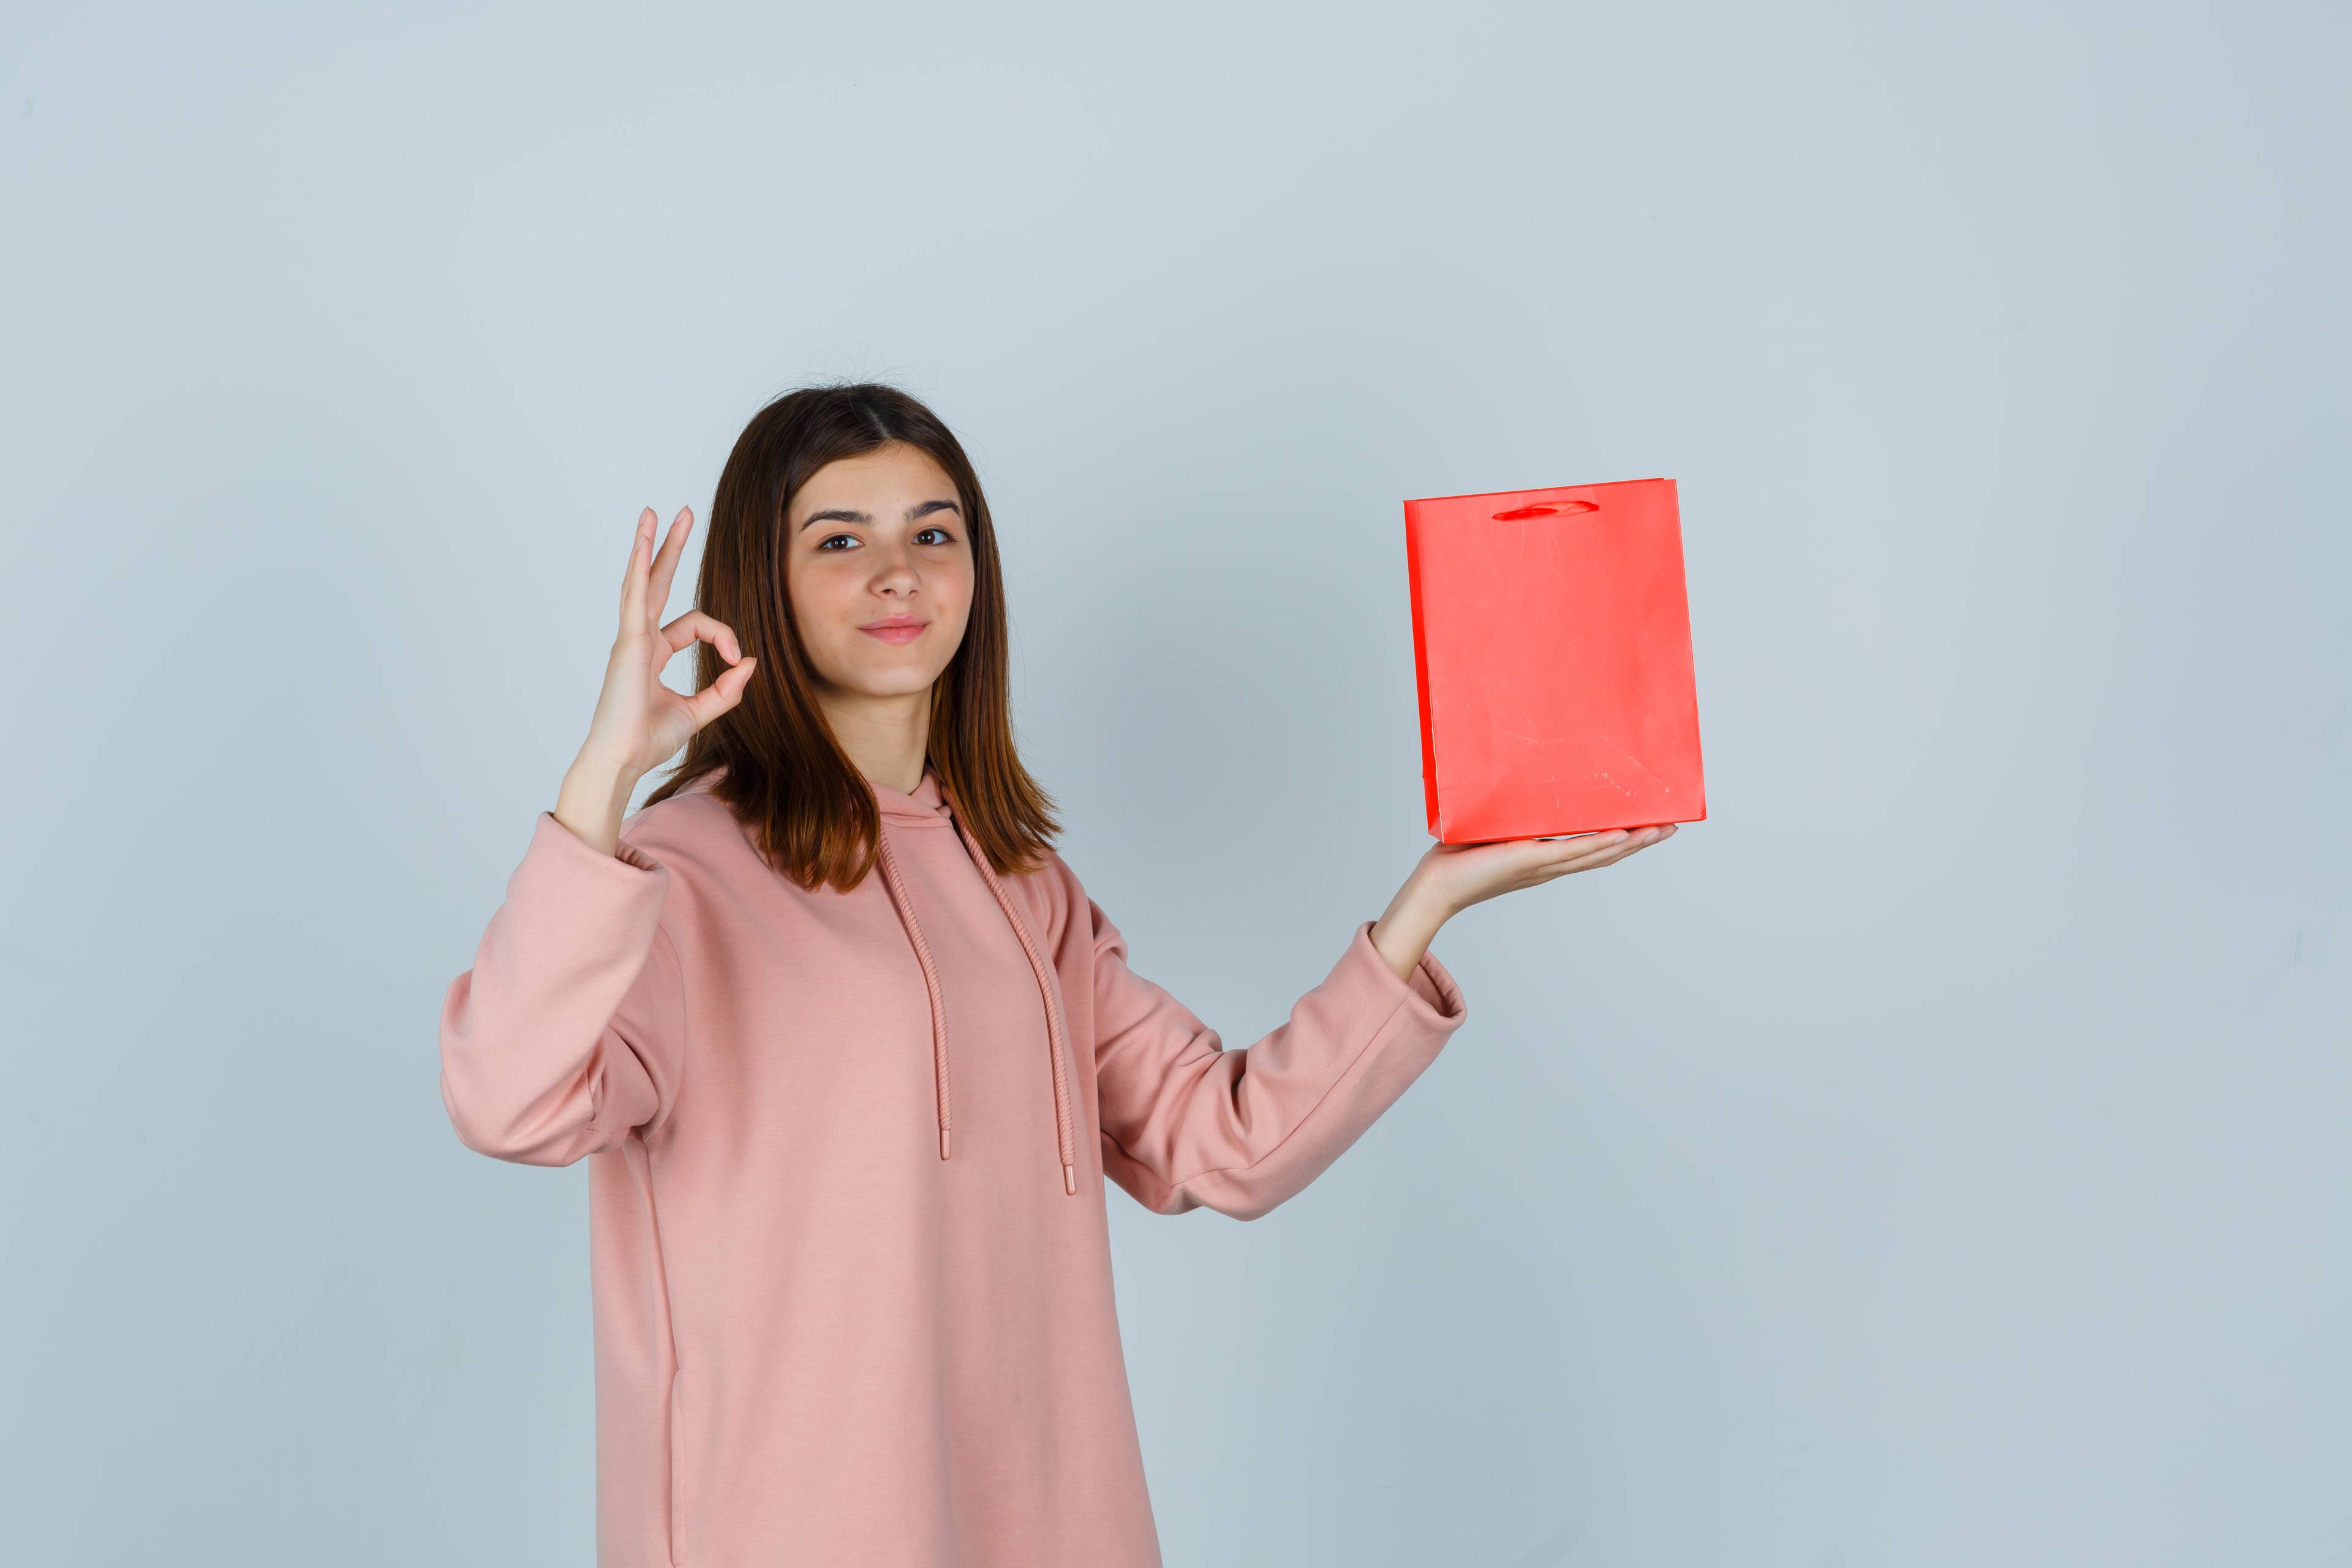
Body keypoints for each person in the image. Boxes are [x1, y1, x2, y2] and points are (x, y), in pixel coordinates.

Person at [436, 382, 1675, 1567]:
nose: (898, 572)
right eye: (838, 538)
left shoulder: (1023, 886)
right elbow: (509, 1096)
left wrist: (1434, 894)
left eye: (935, 530)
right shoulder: (675, 872)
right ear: (763, 581)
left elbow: (1223, 1140)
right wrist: (601, 777)